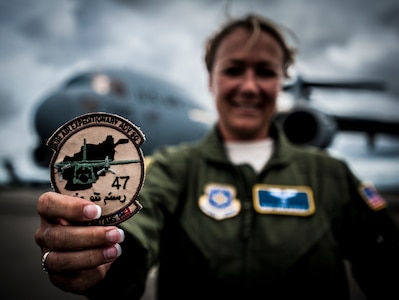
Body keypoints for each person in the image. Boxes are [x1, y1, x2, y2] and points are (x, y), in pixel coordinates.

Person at [35, 13, 399, 299]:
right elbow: (137, 225)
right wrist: (103, 258)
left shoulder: (331, 175)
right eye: (234, 69)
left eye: (266, 72)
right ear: (210, 81)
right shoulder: (169, 172)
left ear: (280, 84)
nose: (249, 86)